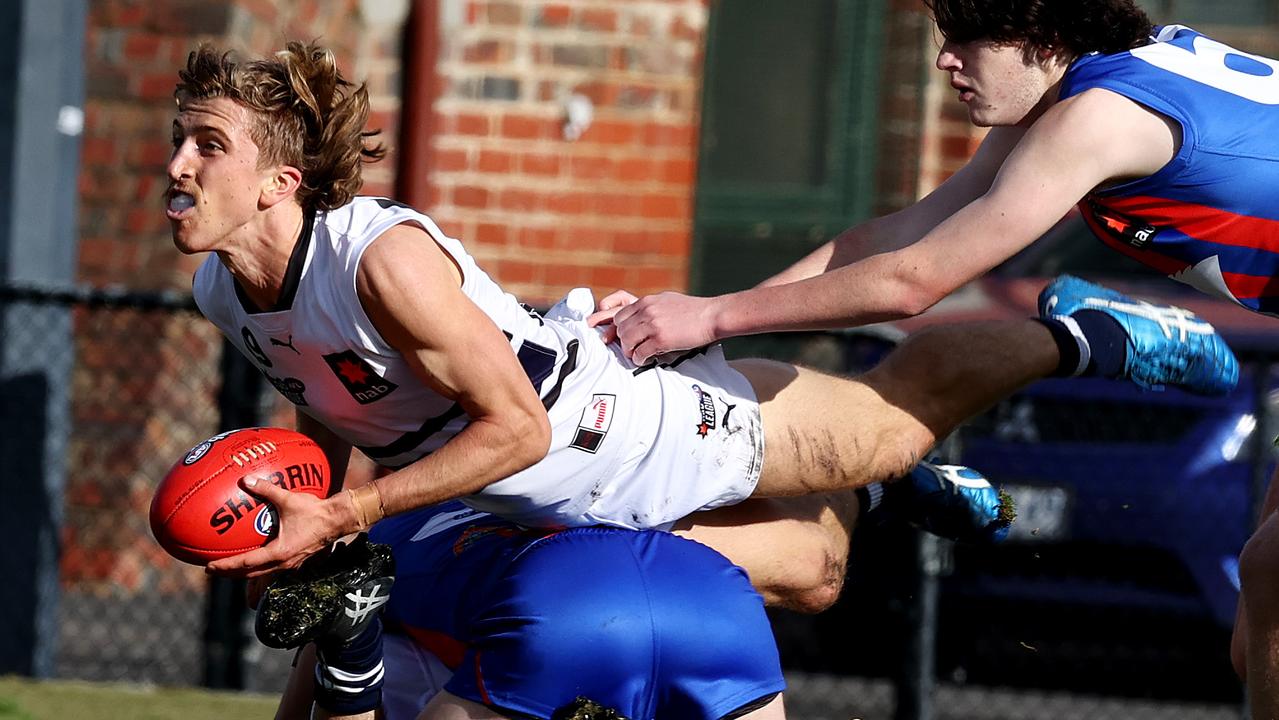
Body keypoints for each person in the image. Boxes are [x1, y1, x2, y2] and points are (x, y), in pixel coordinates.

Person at [167, 41, 1233, 589]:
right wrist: (312, 495)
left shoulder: (378, 260)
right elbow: (335, 398)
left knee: (892, 415)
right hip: (519, 488)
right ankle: (887, 489)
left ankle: (1083, 333)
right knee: (814, 578)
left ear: (282, 182)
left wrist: (357, 515)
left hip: (610, 433)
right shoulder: (224, 284)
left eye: (207, 144)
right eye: (180, 140)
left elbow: (518, 429)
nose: (177, 166)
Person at [594, 0, 1279, 713]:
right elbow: (885, 242)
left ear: (1041, 35)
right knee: (1260, 627)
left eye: (967, 39)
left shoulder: (1095, 116)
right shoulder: (1076, 97)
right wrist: (702, 327)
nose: (945, 59)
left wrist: (709, 314)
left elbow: (913, 281)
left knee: (1270, 577)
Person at [272, 498, 834, 720]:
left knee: (354, 652)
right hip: (710, 591)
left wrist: (349, 653)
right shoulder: (507, 488)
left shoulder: (375, 550)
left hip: (561, 605)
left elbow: (300, 711)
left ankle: (355, 643)